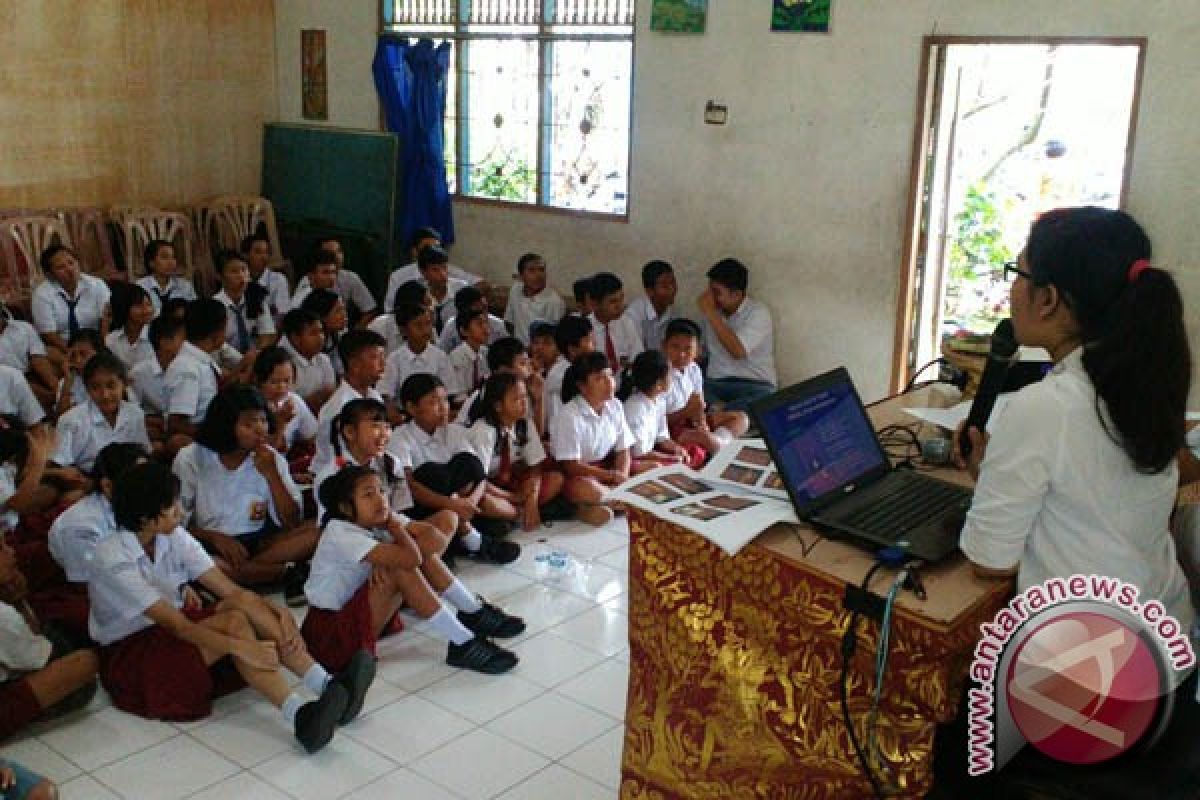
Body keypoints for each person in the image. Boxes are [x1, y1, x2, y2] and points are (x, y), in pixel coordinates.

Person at [953, 207, 1193, 630]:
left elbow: (989, 561)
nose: (1012, 289)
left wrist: (994, 480)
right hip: (1165, 635)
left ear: (1047, 299)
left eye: (1018, 273)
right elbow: (1092, 501)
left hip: (1090, 670)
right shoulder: (1143, 383)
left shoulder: (1047, 406)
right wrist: (996, 474)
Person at [92, 461, 373, 751]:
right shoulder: (113, 557)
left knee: (240, 605)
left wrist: (276, 611)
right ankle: (300, 715)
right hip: (134, 652)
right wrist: (241, 647)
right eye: (171, 505)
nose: (181, 510)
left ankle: (327, 683)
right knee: (234, 624)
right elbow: (178, 625)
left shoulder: (173, 535)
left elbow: (229, 589)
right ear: (145, 518)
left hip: (175, 628)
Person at [304, 465, 522, 675]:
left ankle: (472, 610)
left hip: (362, 610)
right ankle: (463, 641)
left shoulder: (381, 518)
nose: (381, 499)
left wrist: (395, 543)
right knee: (402, 565)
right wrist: (399, 533)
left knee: (411, 554)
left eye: (382, 490)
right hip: (331, 633)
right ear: (345, 508)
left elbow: (435, 540)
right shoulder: (340, 533)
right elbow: (410, 558)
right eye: (368, 495)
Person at [173, 387, 315, 605]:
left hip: (260, 544)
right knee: (200, 561)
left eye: (263, 421)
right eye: (249, 424)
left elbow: (291, 522)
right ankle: (279, 573)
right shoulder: (191, 458)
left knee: (319, 530)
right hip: (210, 544)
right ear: (226, 426)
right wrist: (214, 537)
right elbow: (175, 523)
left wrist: (272, 475)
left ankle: (245, 576)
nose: (260, 430)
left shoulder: (270, 458)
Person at [389, 373, 518, 562]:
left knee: (467, 462)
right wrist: (453, 504)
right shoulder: (400, 438)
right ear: (412, 408)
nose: (443, 408)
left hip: (461, 503)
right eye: (434, 402)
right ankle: (474, 541)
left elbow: (479, 476)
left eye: (445, 400)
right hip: (423, 508)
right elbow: (411, 488)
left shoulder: (454, 431)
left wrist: (470, 502)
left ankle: (462, 539)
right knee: (430, 474)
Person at [1, 537, 98, 745]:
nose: (11, 552)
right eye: (1, 548)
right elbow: (40, 659)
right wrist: (19, 602)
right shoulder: (3, 616)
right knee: (84, 663)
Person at [464, 372, 564, 532]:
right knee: (486, 503)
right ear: (498, 406)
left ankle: (518, 513)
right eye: (517, 399)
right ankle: (519, 514)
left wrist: (532, 498)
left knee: (556, 479)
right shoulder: (484, 431)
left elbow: (535, 465)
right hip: (486, 486)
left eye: (525, 397)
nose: (524, 403)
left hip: (512, 483)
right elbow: (478, 480)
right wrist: (513, 497)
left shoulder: (524, 423)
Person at [550, 352, 633, 526]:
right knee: (595, 492)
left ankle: (605, 503)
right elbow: (571, 466)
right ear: (582, 386)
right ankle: (584, 506)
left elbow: (623, 450)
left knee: (649, 473)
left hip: (607, 471)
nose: (609, 382)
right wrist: (610, 476)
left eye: (610, 375)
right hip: (579, 475)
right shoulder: (569, 414)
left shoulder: (615, 405)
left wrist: (622, 479)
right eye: (599, 378)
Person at [661, 318, 749, 463]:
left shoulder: (694, 369)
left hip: (692, 423)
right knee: (694, 448)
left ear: (698, 351)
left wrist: (702, 424)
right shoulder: (661, 375)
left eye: (688, 348)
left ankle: (717, 443)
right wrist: (687, 412)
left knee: (741, 419)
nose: (681, 354)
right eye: (675, 347)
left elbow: (699, 406)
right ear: (664, 346)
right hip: (670, 429)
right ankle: (715, 446)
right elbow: (656, 422)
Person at [698, 258, 777, 412]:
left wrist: (711, 313)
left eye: (717, 293)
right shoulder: (712, 313)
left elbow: (738, 351)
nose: (710, 298)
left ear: (736, 294)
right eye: (710, 291)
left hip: (754, 385)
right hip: (716, 385)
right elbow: (705, 352)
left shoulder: (758, 313)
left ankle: (719, 413)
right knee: (689, 390)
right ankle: (727, 414)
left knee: (767, 400)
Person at [51, 353, 150, 474]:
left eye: (111, 386)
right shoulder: (70, 420)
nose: (105, 395)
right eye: (95, 387)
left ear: (124, 385)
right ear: (87, 389)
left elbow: (143, 453)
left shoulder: (135, 413)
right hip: (85, 480)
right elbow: (60, 465)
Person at [313, 330, 388, 474]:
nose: (383, 363)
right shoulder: (338, 407)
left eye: (383, 356)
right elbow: (340, 457)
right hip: (339, 475)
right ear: (354, 364)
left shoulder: (374, 395)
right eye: (375, 357)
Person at [164, 299, 228, 440]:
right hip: (201, 439)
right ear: (217, 333)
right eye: (225, 328)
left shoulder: (204, 359)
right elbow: (176, 423)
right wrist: (219, 437)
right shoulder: (187, 368)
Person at [31, 245, 111, 354]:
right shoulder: (42, 295)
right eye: (61, 267)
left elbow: (106, 319)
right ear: (50, 275)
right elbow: (49, 334)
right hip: (62, 346)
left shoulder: (96, 285)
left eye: (71, 263)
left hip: (97, 342)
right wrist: (76, 352)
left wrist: (101, 347)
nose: (70, 269)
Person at [130, 314, 189, 458]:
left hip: (182, 427)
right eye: (182, 339)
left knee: (180, 442)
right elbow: (131, 411)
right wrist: (156, 422)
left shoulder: (190, 367)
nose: (186, 344)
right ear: (165, 343)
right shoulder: (139, 373)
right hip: (154, 426)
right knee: (154, 443)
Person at [623, 350, 691, 473]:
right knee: (657, 468)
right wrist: (669, 458)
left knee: (690, 452)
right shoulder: (635, 408)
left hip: (650, 453)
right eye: (669, 375)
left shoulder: (659, 400)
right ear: (658, 384)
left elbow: (661, 437)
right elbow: (638, 452)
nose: (672, 378)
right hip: (633, 459)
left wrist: (677, 448)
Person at [379, 302, 450, 420]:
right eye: (418, 325)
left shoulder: (440, 357)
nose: (425, 330)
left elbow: (449, 391)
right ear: (403, 330)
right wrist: (393, 412)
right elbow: (385, 393)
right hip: (404, 416)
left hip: (436, 414)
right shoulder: (395, 358)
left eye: (428, 324)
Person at [384, 227, 481, 306]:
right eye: (427, 248)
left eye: (437, 248)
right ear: (415, 251)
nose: (442, 273)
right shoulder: (399, 277)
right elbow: (391, 309)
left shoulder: (451, 274)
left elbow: (477, 283)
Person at [292, 238, 377, 327]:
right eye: (326, 272)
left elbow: (369, 310)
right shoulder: (302, 296)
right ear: (311, 276)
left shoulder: (349, 277)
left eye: (339, 251)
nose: (331, 277)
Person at [253, 347, 318, 460]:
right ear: (259, 380)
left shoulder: (294, 401)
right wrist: (281, 423)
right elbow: (265, 454)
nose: (281, 388)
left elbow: (312, 437)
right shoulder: (249, 406)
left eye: (287, 381)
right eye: (274, 382)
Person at [213, 249, 275, 355]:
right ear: (219, 276)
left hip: (256, 359)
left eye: (244, 269)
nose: (241, 275)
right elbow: (216, 345)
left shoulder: (256, 296)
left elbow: (267, 334)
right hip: (227, 362)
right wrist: (242, 362)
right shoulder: (214, 306)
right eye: (234, 271)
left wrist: (256, 355)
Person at [0, 302, 60, 410]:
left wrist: (56, 388)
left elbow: (38, 358)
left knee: (57, 377)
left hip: (31, 376)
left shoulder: (24, 327)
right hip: (6, 384)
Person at [588, 272, 643, 386]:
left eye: (621, 299)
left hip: (625, 386)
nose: (620, 306)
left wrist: (628, 364)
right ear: (594, 304)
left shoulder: (626, 322)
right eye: (613, 301)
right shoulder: (586, 329)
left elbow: (638, 358)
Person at [278, 308, 337, 414]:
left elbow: (332, 396)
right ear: (295, 338)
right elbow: (287, 405)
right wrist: (316, 399)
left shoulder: (323, 359)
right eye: (313, 333)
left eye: (321, 331)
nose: (321, 337)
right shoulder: (282, 364)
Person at [544, 314, 595, 431]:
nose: (594, 345)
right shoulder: (560, 375)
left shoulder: (582, 366)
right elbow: (556, 418)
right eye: (588, 340)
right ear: (572, 349)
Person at [504, 253, 565, 346]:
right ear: (521, 276)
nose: (538, 275)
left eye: (541, 270)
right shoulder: (515, 290)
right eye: (531, 270)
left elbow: (555, 337)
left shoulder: (554, 301)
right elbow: (509, 322)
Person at [624, 260, 678, 353]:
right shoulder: (633, 316)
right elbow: (636, 354)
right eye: (665, 286)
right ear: (649, 291)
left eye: (673, 282)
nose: (672, 289)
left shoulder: (674, 313)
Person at [52, 328, 106, 419]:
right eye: (73, 355)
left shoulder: (111, 376)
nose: (77, 360)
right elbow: (61, 418)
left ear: (99, 354)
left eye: (83, 354)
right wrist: (68, 381)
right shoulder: (66, 382)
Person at [437, 285, 510, 352]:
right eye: (478, 310)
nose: (484, 314)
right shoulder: (451, 326)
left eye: (485, 307)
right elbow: (441, 353)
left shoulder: (498, 325)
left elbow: (508, 353)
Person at [369, 278, 432, 355]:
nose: (431, 308)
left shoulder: (427, 325)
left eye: (431, 303)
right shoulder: (379, 326)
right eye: (427, 304)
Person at [444, 310, 491, 409]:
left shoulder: (486, 352)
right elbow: (458, 399)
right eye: (479, 324)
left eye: (486, 322)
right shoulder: (456, 358)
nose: (485, 328)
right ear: (464, 331)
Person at [136, 240, 196, 316]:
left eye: (173, 257)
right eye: (165, 257)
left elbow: (193, 313)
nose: (171, 262)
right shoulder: (140, 286)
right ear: (151, 263)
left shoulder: (185, 286)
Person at [104, 283, 155, 370]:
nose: (147, 310)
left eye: (149, 304)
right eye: (139, 306)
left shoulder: (158, 336)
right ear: (123, 308)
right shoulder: (111, 340)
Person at [300, 289, 349, 377]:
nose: (344, 315)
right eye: (338, 311)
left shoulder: (337, 335)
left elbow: (339, 369)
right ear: (321, 315)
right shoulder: (304, 339)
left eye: (344, 309)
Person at [242, 233, 290, 321]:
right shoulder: (240, 279)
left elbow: (282, 314)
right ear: (246, 255)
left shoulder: (278, 279)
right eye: (258, 252)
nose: (264, 257)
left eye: (266, 252)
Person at [419, 246, 466, 335]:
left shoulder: (461, 288)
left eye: (444, 268)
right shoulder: (418, 293)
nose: (443, 274)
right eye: (435, 270)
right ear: (423, 272)